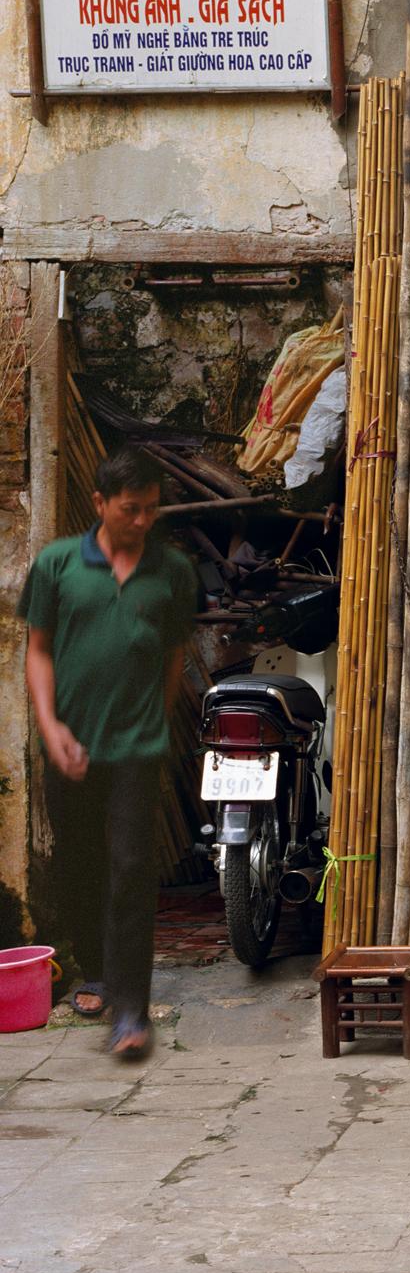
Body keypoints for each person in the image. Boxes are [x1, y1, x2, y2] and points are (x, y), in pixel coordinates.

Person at [19, 444, 201, 1063]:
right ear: (100, 504)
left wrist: (157, 716)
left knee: (130, 867)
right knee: (79, 860)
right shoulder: (57, 565)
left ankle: (130, 1008)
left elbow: (175, 653)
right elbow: (37, 650)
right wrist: (50, 727)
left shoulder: (173, 572)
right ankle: (94, 972)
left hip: (137, 745)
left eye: (151, 509)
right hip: (70, 741)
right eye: (130, 510)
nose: (142, 521)